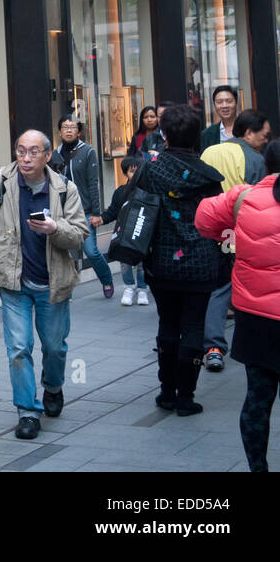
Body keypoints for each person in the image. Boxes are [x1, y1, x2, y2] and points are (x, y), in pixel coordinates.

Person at [0, 129, 88, 439]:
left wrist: (54, 228)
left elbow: (79, 234)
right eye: (21, 151)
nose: (26, 158)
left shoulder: (65, 189)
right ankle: (27, 411)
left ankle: (53, 385)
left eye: (33, 152)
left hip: (52, 284)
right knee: (19, 349)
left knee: (54, 347)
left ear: (47, 155)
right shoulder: (0, 182)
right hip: (14, 284)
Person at [130, 104, 224, 416]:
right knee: (194, 326)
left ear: (165, 134)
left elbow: (134, 206)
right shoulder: (209, 177)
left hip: (162, 262)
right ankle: (186, 395)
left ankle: (166, 391)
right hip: (201, 261)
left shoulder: (150, 168)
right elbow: (219, 220)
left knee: (167, 323)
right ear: (197, 135)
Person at [195, 139, 280, 472]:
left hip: (256, 320)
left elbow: (203, 220)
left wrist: (232, 232)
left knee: (258, 400)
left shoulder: (243, 197)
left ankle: (257, 467)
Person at [200, 110, 270, 371]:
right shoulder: (253, 159)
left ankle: (213, 346)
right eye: (263, 135)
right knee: (233, 287)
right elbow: (260, 202)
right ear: (249, 133)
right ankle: (220, 345)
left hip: (209, 230)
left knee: (217, 286)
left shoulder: (210, 152)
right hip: (239, 233)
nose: (265, 140)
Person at [52, 114, 114, 298]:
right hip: (63, 212)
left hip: (85, 210)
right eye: (65, 127)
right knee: (68, 254)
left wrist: (96, 212)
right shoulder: (55, 153)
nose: (69, 130)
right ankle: (67, 290)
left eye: (72, 127)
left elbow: (93, 183)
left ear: (79, 131)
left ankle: (106, 279)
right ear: (60, 131)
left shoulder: (88, 152)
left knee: (91, 251)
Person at [99, 155, 148, 305]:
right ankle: (128, 287)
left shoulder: (149, 191)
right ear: (125, 173)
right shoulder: (121, 192)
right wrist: (101, 219)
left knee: (141, 263)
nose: (135, 174)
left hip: (141, 233)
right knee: (124, 261)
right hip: (123, 233)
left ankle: (142, 289)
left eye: (138, 170)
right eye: (131, 171)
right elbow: (113, 211)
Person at [201, 85, 240, 151]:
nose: (224, 106)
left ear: (236, 103)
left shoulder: (249, 129)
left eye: (229, 101)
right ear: (214, 105)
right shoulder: (206, 134)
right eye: (219, 102)